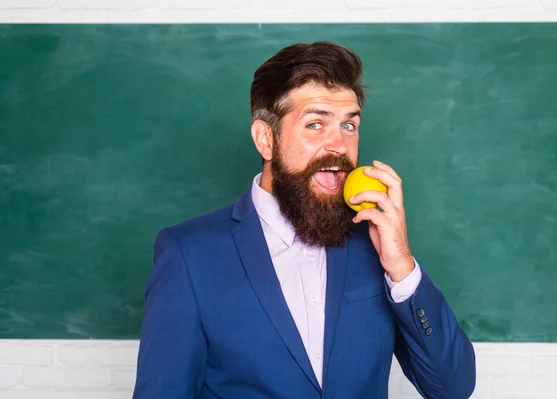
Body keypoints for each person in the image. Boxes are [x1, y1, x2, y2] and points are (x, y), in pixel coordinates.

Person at [132, 41, 476, 399]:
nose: (338, 145)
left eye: (348, 125)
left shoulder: (376, 244)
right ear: (266, 139)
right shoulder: (189, 253)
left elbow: (451, 389)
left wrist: (402, 267)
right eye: (315, 124)